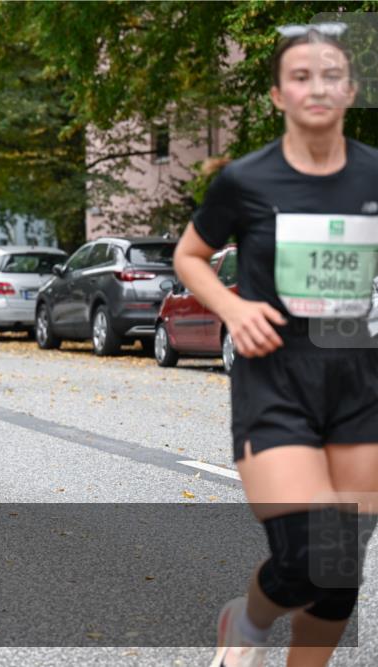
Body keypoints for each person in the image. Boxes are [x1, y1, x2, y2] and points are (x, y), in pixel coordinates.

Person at [173, 25, 377, 667]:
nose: (316, 87)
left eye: (330, 75)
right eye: (300, 76)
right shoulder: (245, 179)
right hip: (275, 384)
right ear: (276, 95)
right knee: (304, 559)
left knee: (341, 571)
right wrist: (232, 307)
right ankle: (248, 619)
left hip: (359, 388)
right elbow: (190, 256)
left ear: (351, 89)